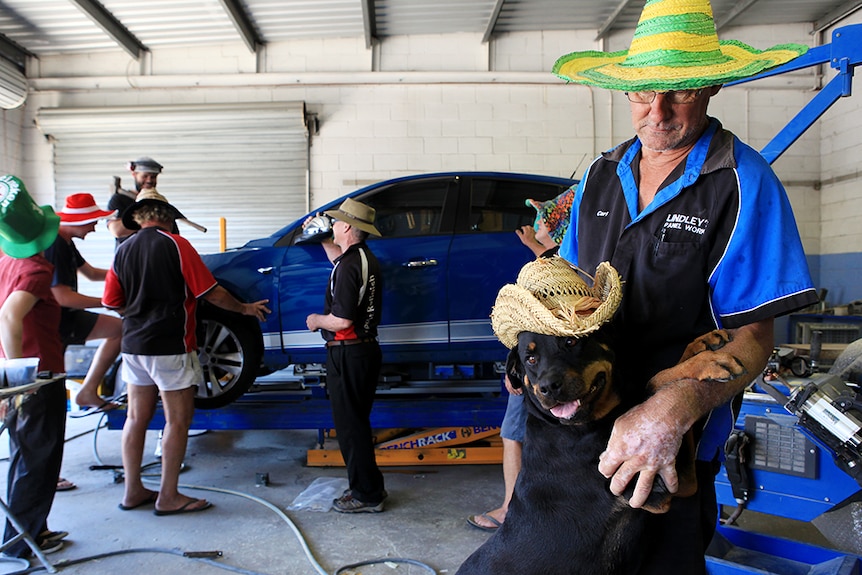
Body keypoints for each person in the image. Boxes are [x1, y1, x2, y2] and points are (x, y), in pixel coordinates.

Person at [549, 0, 818, 571]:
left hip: (673, 441)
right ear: (625, 93)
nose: (659, 111)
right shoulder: (601, 173)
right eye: (644, 93)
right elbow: (571, 287)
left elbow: (753, 337)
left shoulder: (742, 183)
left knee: (659, 558)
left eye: (682, 92)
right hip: (585, 419)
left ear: (713, 86)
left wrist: (674, 408)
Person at [102, 189, 270, 515]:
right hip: (170, 346)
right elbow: (212, 293)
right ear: (166, 217)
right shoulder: (177, 246)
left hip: (133, 347)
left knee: (136, 418)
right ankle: (168, 497)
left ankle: (133, 490)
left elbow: (112, 302)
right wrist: (245, 309)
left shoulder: (122, 250)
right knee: (177, 422)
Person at [466, 191, 570, 531]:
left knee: (513, 433)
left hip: (536, 368)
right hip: (558, 369)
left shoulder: (547, 269)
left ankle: (510, 509)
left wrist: (515, 364)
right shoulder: (572, 262)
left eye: (542, 216)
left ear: (555, 226)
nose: (534, 222)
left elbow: (530, 325)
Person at [0, 174, 69, 556]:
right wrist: (19, 379)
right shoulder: (36, 269)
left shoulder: (6, 259)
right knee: (39, 459)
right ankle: (20, 544)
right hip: (36, 377)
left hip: (20, 372)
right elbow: (9, 317)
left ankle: (27, 532)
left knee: (23, 454)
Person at [305, 198, 387, 513]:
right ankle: (369, 489)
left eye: (337, 222)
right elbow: (337, 259)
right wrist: (321, 236)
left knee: (351, 428)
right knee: (356, 424)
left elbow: (342, 321)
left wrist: (316, 320)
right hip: (362, 352)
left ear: (348, 227)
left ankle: (367, 495)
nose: (334, 225)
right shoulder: (360, 259)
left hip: (348, 353)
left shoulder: (351, 265)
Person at [44, 193, 123, 413]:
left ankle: (88, 391)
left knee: (119, 329)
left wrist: (125, 275)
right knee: (50, 389)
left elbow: (90, 273)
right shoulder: (55, 245)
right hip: (54, 322)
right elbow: (62, 297)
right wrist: (109, 302)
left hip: (68, 315)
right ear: (79, 221)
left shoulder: (66, 242)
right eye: (93, 222)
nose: (94, 228)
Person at [106, 157, 162, 245]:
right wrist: (153, 221)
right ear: (134, 174)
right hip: (129, 255)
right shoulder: (119, 199)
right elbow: (117, 230)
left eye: (153, 177)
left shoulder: (159, 203)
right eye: (145, 176)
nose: (149, 180)